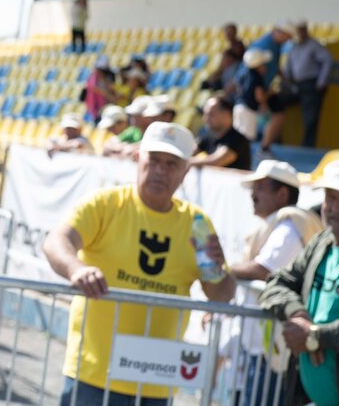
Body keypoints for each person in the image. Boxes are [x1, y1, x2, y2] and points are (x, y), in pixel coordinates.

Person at [43, 122, 236, 405]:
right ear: (137, 159)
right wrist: (77, 269)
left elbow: (220, 294)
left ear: (185, 171)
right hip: (93, 375)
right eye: (154, 160)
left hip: (156, 382)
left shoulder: (197, 224)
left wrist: (219, 271)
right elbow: (56, 241)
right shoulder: (105, 204)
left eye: (172, 164)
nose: (160, 170)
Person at [260, 161, 339, 406]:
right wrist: (298, 314)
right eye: (330, 197)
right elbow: (277, 282)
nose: (335, 207)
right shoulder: (321, 244)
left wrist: (316, 336)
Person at [230, 160, 322, 406]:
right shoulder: (282, 224)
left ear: (282, 194)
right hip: (264, 347)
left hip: (272, 350)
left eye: (260, 187)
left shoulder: (289, 227)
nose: (253, 194)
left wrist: (223, 271)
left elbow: (263, 270)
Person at [279, 21, 333, 147]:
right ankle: (276, 139)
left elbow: (328, 60)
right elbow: (288, 69)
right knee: (277, 102)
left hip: (311, 85)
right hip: (296, 85)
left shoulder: (313, 45)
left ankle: (307, 147)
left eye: (302, 31)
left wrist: (322, 81)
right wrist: (285, 83)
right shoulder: (293, 47)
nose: (300, 34)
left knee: (310, 118)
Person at [191, 96, 252, 171]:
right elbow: (189, 152)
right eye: (205, 114)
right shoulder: (207, 136)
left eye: (210, 114)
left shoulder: (238, 140)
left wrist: (186, 162)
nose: (205, 119)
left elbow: (215, 162)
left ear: (226, 114)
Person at [234, 48, 274, 143]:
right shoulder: (257, 77)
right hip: (248, 110)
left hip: (238, 107)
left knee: (237, 138)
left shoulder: (243, 73)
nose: (265, 67)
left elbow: (237, 86)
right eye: (263, 64)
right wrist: (270, 94)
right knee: (246, 140)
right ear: (258, 66)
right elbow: (259, 96)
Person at [83, 56, 115, 123]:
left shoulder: (109, 80)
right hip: (97, 111)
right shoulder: (92, 80)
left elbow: (113, 97)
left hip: (107, 109)